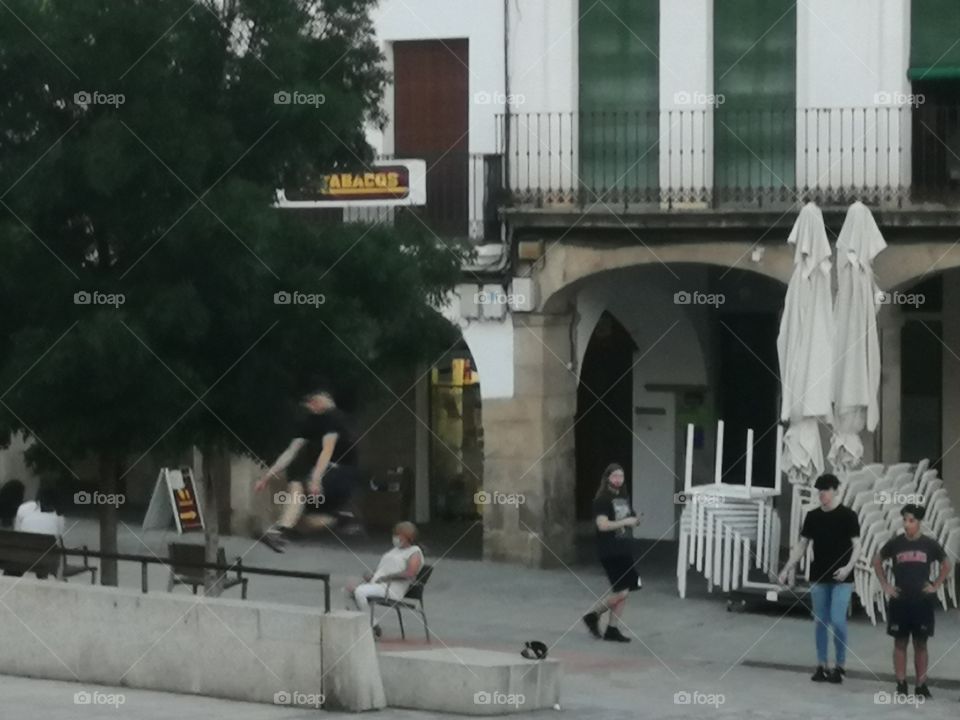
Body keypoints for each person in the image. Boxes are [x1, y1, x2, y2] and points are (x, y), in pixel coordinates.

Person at [778, 473, 861, 683]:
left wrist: (848, 567)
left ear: (835, 491)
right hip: (819, 574)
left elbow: (857, 546)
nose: (822, 494)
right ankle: (822, 664)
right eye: (820, 491)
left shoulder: (848, 515)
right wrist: (788, 567)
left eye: (825, 490)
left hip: (842, 576)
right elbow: (803, 544)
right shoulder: (813, 516)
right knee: (820, 621)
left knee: (837, 619)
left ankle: (840, 664)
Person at [255, 389, 360, 551]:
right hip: (329, 474)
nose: (311, 407)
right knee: (302, 519)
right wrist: (266, 477)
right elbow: (291, 452)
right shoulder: (310, 422)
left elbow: (327, 450)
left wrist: (316, 479)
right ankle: (340, 520)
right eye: (309, 404)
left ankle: (281, 531)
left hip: (342, 474)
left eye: (314, 402)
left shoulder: (334, 418)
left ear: (324, 399)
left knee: (298, 484)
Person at [873, 504, 951, 699]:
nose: (907, 524)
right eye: (904, 520)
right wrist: (886, 585)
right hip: (900, 601)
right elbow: (876, 560)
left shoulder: (929, 544)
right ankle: (901, 683)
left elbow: (947, 564)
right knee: (900, 643)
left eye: (911, 520)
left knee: (921, 644)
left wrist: (936, 585)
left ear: (919, 522)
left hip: (921, 602)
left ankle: (921, 684)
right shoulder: (896, 543)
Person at [582, 463, 641, 643]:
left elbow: (627, 519)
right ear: (607, 478)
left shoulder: (623, 497)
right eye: (615, 476)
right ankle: (593, 614)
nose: (618, 480)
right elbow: (603, 525)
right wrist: (626, 522)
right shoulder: (602, 500)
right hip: (610, 550)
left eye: (621, 476)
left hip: (623, 548)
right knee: (621, 592)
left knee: (624, 590)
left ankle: (612, 629)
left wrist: (635, 521)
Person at [345, 521, 423, 637]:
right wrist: (372, 575)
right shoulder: (394, 550)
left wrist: (388, 577)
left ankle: (371, 624)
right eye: (395, 534)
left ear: (408, 536)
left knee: (360, 592)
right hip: (379, 585)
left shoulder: (414, 552)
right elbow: (384, 568)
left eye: (399, 535)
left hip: (392, 588)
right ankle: (368, 624)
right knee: (349, 590)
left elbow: (410, 573)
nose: (395, 537)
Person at [5, 485, 65, 579]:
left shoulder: (24, 509)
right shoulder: (59, 518)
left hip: (21, 558)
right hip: (45, 561)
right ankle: (45, 578)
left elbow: (18, 532)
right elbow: (59, 539)